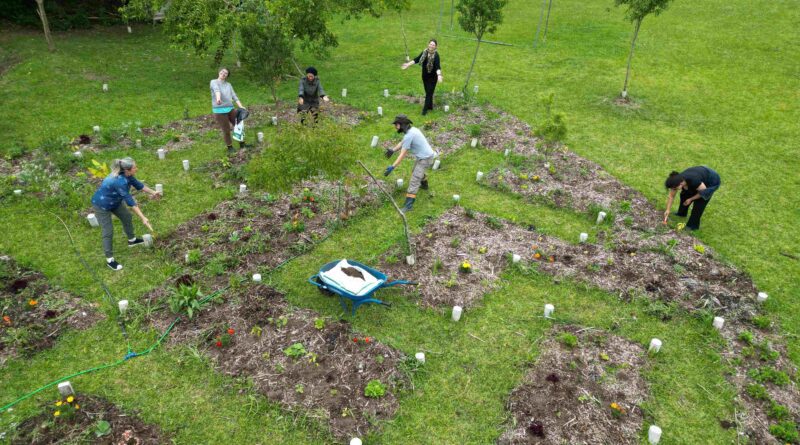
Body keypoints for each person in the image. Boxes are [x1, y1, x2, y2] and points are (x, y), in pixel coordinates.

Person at [91, 158, 160, 270]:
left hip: (115, 202)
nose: (136, 168)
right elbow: (130, 202)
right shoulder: (118, 181)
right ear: (128, 170)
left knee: (127, 216)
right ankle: (110, 260)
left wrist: (153, 192)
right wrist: (143, 218)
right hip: (101, 205)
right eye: (135, 167)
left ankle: (132, 240)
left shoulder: (127, 175)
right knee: (108, 231)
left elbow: (139, 185)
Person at [383, 115, 436, 212]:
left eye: (396, 124)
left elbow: (402, 154)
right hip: (425, 156)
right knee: (416, 172)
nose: (395, 126)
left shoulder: (409, 135)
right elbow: (403, 142)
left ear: (402, 125)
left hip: (425, 159)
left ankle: (408, 206)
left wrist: (392, 166)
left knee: (414, 179)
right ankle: (424, 185)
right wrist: (393, 150)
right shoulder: (412, 130)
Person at [663, 166, 721, 230]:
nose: (673, 190)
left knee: (700, 202)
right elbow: (671, 196)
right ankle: (681, 213)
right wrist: (668, 209)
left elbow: (703, 192)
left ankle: (692, 225)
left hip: (711, 180)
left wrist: (691, 199)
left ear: (681, 184)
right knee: (684, 194)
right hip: (699, 175)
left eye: (674, 188)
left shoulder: (694, 180)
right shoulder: (677, 180)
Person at [210, 67, 246, 153]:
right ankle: (230, 147)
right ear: (219, 72)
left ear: (227, 76)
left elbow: (234, 96)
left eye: (225, 73)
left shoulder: (228, 85)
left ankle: (242, 144)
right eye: (222, 72)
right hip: (219, 111)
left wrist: (241, 106)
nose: (223, 74)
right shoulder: (213, 82)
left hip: (230, 109)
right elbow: (216, 90)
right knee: (226, 130)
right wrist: (218, 99)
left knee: (239, 125)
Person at [402, 39, 443, 115]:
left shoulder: (436, 55)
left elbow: (438, 67)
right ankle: (430, 106)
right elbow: (417, 59)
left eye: (433, 45)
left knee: (428, 93)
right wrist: (408, 64)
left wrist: (439, 75)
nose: (431, 46)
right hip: (425, 76)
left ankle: (424, 111)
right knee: (428, 92)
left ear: (436, 47)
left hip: (433, 78)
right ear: (428, 44)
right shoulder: (424, 52)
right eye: (430, 44)